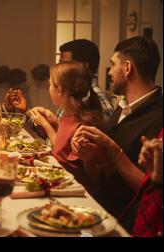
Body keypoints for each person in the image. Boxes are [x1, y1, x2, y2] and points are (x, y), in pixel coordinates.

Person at [71, 36, 163, 217]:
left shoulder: (159, 116)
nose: (109, 72)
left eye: (113, 65)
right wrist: (89, 156)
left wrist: (112, 149)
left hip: (126, 220)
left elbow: (150, 189)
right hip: (99, 209)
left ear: (128, 68)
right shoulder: (122, 106)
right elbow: (104, 172)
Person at [72, 126, 162, 236]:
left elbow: (147, 185)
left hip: (130, 216)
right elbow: (96, 176)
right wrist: (89, 156)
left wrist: (110, 148)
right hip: (112, 212)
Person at [28, 62, 104, 190]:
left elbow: (62, 154)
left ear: (60, 91)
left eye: (50, 84)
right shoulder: (68, 116)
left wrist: (45, 124)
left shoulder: (84, 125)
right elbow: (64, 147)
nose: (49, 88)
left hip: (75, 189)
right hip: (63, 183)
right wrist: (55, 123)